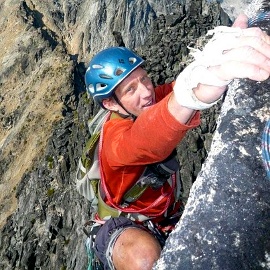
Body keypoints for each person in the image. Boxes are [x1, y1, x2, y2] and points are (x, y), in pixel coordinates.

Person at [84, 14, 270, 270]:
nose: (146, 91)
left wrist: (217, 57)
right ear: (110, 103)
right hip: (125, 224)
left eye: (144, 78)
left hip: (163, 216)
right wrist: (193, 96)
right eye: (130, 89)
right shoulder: (116, 141)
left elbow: (174, 89)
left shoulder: (144, 103)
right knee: (144, 259)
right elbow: (147, 138)